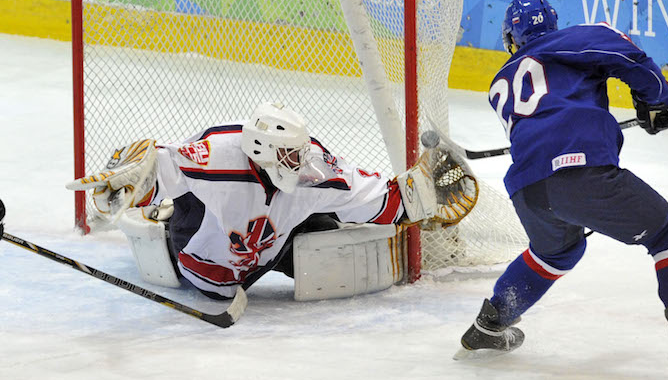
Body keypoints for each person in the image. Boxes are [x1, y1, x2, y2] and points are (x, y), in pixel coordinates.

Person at [455, 0, 668, 380]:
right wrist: (657, 100)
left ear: (512, 37)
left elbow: (549, 118)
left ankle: (490, 323)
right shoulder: (574, 38)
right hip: (579, 173)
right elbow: (629, 56)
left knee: (556, 252)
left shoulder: (500, 81)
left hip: (528, 189)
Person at [68, 102, 477, 301]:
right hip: (207, 260)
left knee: (324, 232)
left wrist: (419, 196)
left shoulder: (313, 167)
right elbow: (156, 162)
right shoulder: (218, 158)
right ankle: (165, 223)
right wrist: (128, 182)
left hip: (269, 244)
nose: (299, 163)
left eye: (300, 153)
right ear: (260, 150)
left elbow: (378, 198)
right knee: (197, 221)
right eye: (289, 156)